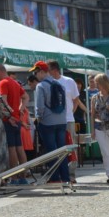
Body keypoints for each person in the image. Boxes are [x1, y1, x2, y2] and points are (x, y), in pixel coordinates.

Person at [33, 60, 71, 190]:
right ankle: (66, 177)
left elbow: (40, 107)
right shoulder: (60, 84)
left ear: (43, 72)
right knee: (62, 151)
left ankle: (55, 178)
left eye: (36, 72)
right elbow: (65, 104)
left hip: (47, 122)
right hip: (61, 121)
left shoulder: (41, 86)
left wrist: (38, 118)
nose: (35, 75)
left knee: (51, 151)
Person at [0, 64, 27, 186]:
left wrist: (9, 116)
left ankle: (14, 177)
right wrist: (20, 109)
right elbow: (26, 97)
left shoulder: (3, 83)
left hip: (9, 120)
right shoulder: (15, 82)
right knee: (19, 147)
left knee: (11, 148)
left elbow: (3, 101)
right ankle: (23, 177)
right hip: (17, 119)